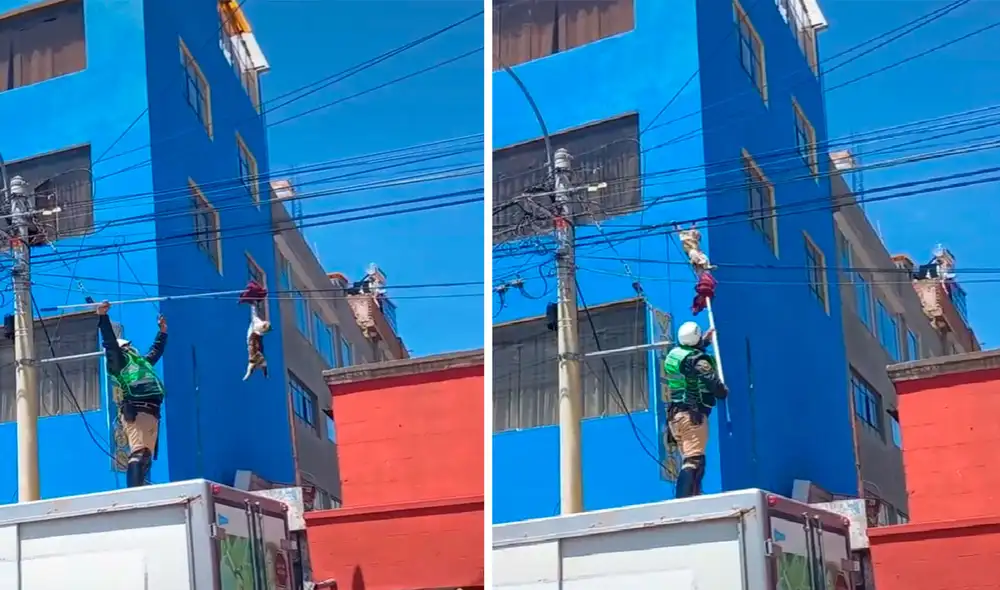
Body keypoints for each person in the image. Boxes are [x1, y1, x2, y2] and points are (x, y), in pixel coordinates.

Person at [96, 300, 167, 487]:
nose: (131, 348)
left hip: (151, 411)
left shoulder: (140, 363)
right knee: (140, 453)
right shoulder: (119, 362)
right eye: (127, 347)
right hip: (138, 409)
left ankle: (140, 487)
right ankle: (135, 494)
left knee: (146, 457)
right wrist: (103, 317)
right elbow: (110, 343)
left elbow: (155, 352)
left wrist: (163, 332)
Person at [664, 321, 728, 498]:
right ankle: (685, 501)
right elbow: (709, 378)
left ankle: (691, 497)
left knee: (689, 459)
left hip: (676, 417)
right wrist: (722, 391)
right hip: (692, 415)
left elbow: (688, 360)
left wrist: (705, 341)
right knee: (694, 461)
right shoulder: (698, 361)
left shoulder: (673, 355)